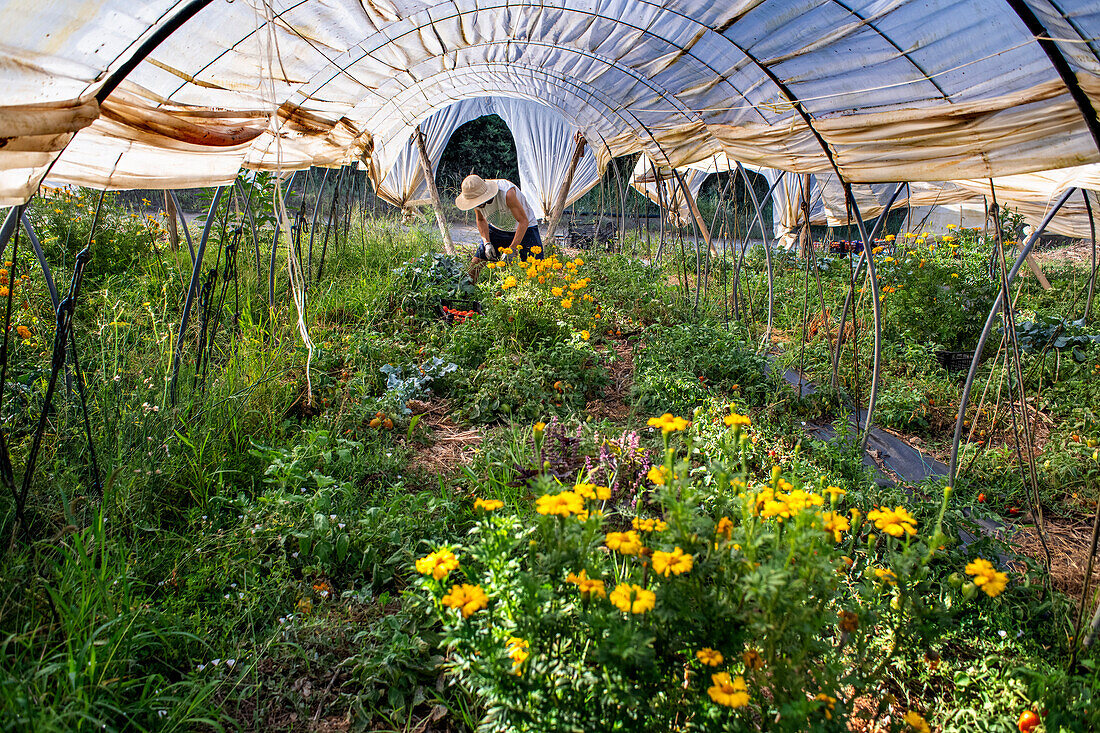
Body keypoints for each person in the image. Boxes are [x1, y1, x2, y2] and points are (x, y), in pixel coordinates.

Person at [454, 174, 543, 281]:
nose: (479, 206)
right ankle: (465, 293)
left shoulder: (507, 193)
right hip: (498, 227)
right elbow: (481, 220)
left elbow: (523, 221)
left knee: (536, 268)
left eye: (480, 202)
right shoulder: (474, 196)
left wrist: (512, 248)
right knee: (474, 266)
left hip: (525, 227)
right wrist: (487, 243)